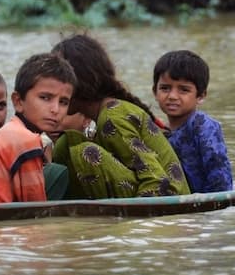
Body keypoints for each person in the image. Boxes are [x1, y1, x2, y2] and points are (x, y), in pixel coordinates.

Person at [51, 33, 191, 199]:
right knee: (66, 144)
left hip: (168, 198)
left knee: (85, 152)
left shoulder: (113, 117)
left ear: (79, 82)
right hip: (148, 191)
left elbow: (156, 182)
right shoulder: (105, 115)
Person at [0, 52, 77, 204]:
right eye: (45, 98)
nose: (55, 109)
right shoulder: (25, 140)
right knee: (58, 173)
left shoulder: (12, 131)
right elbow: (35, 209)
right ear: (18, 101)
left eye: (63, 102)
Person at [152, 49, 233, 192]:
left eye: (183, 90)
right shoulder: (160, 134)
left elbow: (220, 177)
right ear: (155, 92)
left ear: (200, 96)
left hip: (207, 203)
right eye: (165, 88)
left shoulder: (203, 126)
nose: (172, 96)